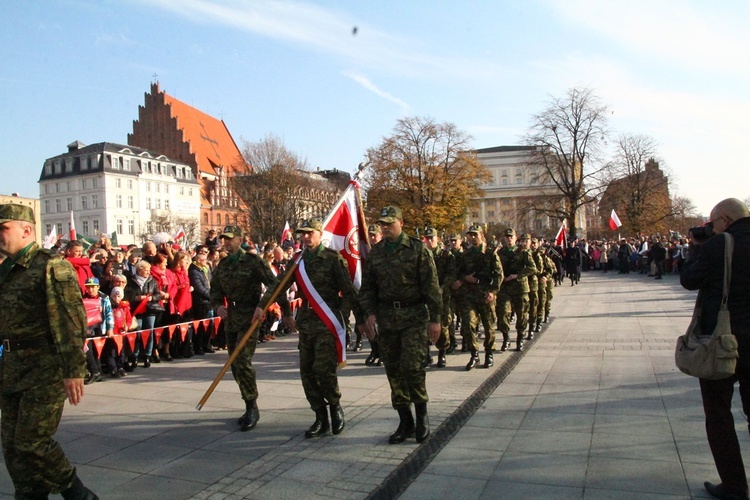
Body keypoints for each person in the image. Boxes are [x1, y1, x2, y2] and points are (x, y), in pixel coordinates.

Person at [0, 204, 98, 499]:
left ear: (26, 230)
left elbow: (70, 320)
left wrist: (73, 369)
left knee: (33, 440)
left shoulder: (50, 265)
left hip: (45, 366)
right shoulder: (6, 270)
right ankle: (30, 493)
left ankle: (76, 492)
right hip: (12, 366)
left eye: (3, 228)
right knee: (12, 445)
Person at [255, 218, 362, 438]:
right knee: (307, 372)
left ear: (319, 233)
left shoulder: (333, 260)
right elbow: (278, 286)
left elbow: (349, 291)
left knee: (324, 370)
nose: (305, 237)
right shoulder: (297, 261)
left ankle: (335, 407)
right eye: (302, 234)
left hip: (326, 321)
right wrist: (264, 306)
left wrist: (357, 317)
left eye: (309, 233)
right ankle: (319, 416)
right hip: (307, 321)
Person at [681, 198, 750, 500]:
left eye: (712, 223)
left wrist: (698, 244)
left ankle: (735, 486)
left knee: (719, 413)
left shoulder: (719, 245)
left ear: (723, 220)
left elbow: (688, 279)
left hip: (724, 341)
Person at [359, 206, 441, 444]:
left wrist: (435, 320)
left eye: (389, 223)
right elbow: (368, 288)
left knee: (412, 367)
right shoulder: (377, 253)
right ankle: (405, 421)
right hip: (387, 318)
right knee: (393, 369)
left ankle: (422, 416)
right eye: (382, 224)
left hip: (414, 317)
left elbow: (432, 287)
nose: (385, 228)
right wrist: (369, 314)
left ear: (401, 223)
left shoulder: (418, 250)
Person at [210, 225, 288, 432]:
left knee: (242, 360)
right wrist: (217, 305)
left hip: (250, 317)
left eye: (230, 238)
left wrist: (265, 306)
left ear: (240, 239)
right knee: (234, 364)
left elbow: (275, 284)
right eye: (224, 239)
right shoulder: (224, 264)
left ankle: (252, 406)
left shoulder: (253, 261)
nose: (226, 242)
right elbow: (215, 289)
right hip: (231, 317)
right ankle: (247, 402)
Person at [452, 225, 501, 370]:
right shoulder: (465, 255)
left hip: (485, 295)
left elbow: (499, 274)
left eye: (475, 235)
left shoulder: (490, 254)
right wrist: (464, 278)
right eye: (470, 235)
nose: (472, 238)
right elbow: (457, 272)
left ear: (482, 236)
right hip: (469, 295)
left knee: (488, 326)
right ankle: (474, 354)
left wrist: (493, 292)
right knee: (467, 324)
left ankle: (489, 353)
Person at [496, 229, 537, 352]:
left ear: (515, 238)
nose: (509, 239)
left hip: (520, 288)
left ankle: (520, 339)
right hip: (505, 288)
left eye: (511, 237)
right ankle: (506, 338)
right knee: (503, 313)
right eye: (507, 236)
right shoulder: (500, 253)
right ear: (504, 238)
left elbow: (532, 268)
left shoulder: (523, 252)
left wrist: (517, 275)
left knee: (522, 315)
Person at [423, 228, 457, 368]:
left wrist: (442, 287)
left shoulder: (446, 255)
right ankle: (426, 354)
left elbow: (451, 274)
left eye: (432, 238)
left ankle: (442, 353)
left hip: (443, 296)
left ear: (438, 239)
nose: (430, 241)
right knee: (424, 324)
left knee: (442, 325)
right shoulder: (423, 255)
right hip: (426, 296)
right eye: (427, 238)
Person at [364, 224, 383, 366]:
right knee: (369, 324)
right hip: (370, 293)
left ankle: (383, 352)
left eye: (374, 235)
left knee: (381, 326)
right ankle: (374, 350)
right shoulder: (366, 251)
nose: (372, 238)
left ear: (380, 235)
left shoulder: (383, 251)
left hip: (383, 294)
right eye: (370, 235)